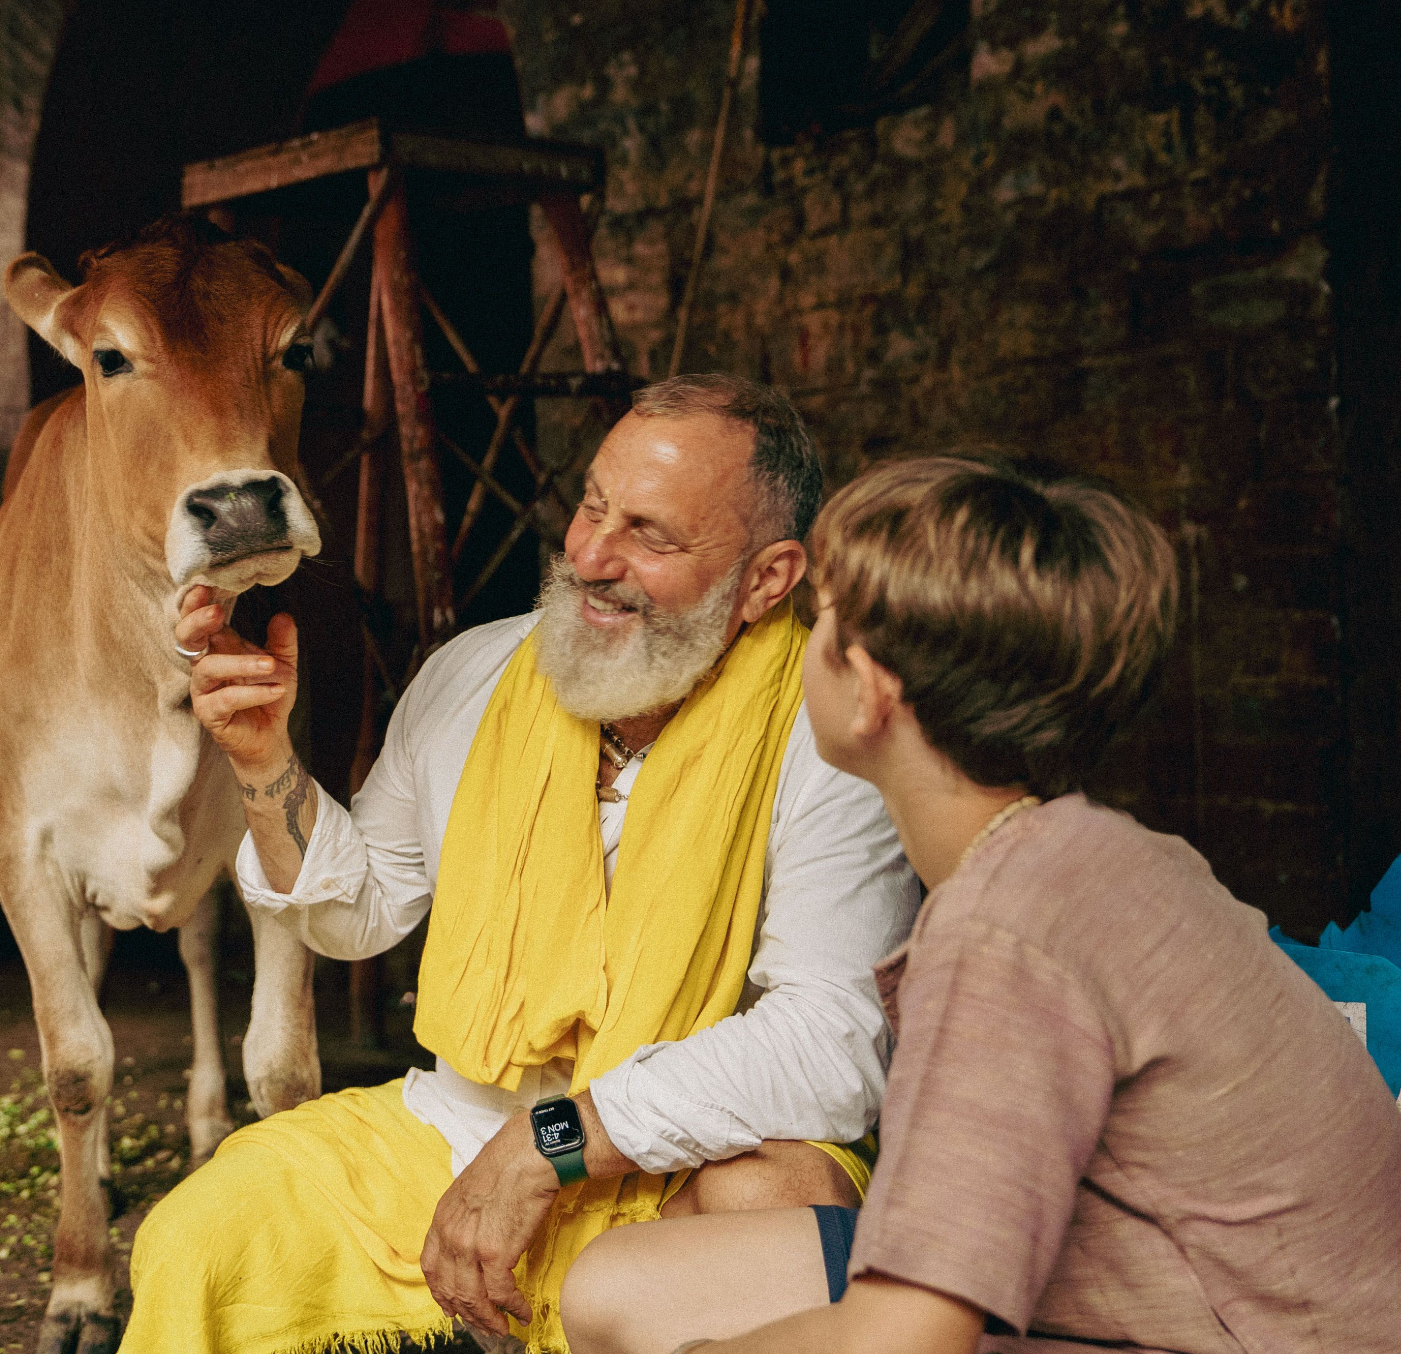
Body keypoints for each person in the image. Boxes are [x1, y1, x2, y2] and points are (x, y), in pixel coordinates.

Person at [131, 376, 919, 1352]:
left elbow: (832, 1044)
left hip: (684, 1162)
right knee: (199, 1236)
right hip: (453, 1134)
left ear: (767, 579)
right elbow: (359, 915)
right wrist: (262, 765)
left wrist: (549, 1145)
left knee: (778, 1197)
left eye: (650, 534)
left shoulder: (829, 728)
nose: (590, 557)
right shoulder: (472, 673)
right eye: (592, 506)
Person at [557, 455, 1401, 1354]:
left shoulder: (1005, 929)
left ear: (872, 690)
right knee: (618, 1285)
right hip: (1163, 1273)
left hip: (1250, 1330)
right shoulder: (1088, 849)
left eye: (821, 618)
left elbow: (908, 1339)